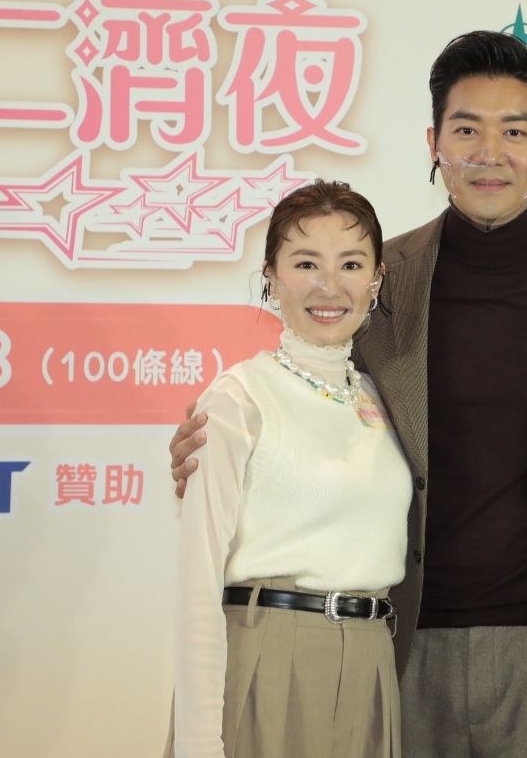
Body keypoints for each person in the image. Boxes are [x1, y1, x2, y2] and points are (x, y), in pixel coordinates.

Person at [171, 31, 527, 757]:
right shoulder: (376, 278)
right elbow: (310, 396)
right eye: (466, 129)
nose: (489, 152)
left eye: (514, 131)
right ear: (433, 142)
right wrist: (213, 454)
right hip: (402, 637)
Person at [165, 181, 413, 758]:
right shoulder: (237, 397)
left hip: (371, 662)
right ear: (271, 279)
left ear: (376, 280)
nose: (330, 286)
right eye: (306, 264)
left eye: (351, 264)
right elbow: (198, 585)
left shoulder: (379, 396)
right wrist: (198, 744)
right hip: (268, 657)